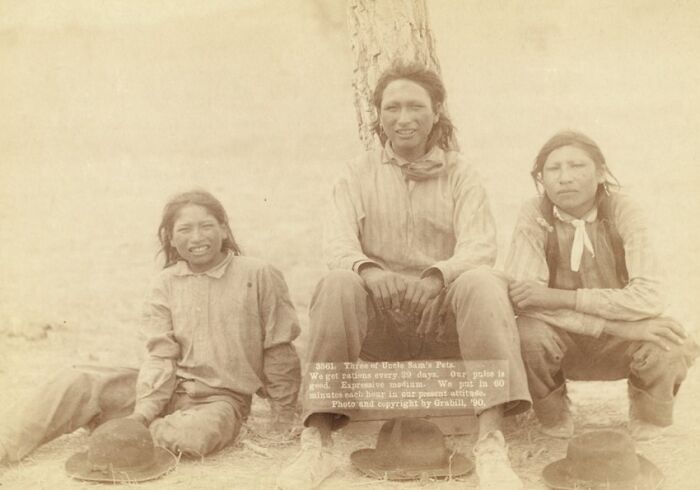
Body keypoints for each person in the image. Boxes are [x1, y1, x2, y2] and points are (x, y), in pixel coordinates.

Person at [277, 62, 531, 490]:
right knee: (337, 282)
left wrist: (437, 278)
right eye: (392, 107)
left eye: (416, 106)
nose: (404, 118)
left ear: (436, 113)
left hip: (443, 321)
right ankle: (316, 441)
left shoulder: (462, 174)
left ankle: (490, 444)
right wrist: (372, 272)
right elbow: (336, 244)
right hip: (380, 325)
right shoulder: (356, 173)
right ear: (378, 115)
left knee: (484, 283)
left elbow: (480, 247)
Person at [0, 189, 301, 463]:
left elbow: (279, 347)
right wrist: (142, 414)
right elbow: (160, 355)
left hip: (220, 402)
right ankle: (7, 445)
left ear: (223, 229)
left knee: (189, 438)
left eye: (206, 226)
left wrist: (283, 414)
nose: (196, 237)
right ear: (170, 238)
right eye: (184, 229)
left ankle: (118, 438)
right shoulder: (165, 283)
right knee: (76, 380)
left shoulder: (258, 274)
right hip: (161, 392)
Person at [505, 130, 699, 440]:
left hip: (620, 348)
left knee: (669, 338)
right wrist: (627, 328)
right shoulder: (534, 215)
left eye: (577, 166)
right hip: (567, 341)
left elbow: (651, 296)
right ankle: (553, 411)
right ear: (540, 179)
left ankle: (647, 407)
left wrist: (560, 297)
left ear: (600, 172)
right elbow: (525, 299)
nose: (565, 177)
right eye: (553, 169)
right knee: (526, 332)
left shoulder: (624, 210)